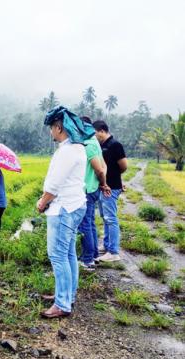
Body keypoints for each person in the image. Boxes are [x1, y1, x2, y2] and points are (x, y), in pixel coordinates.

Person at [37, 106, 88, 318]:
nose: (51, 132)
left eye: (52, 128)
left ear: (59, 127)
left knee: (57, 255)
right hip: (74, 205)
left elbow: (54, 185)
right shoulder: (78, 148)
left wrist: (42, 203)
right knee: (67, 254)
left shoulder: (67, 151)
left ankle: (63, 304)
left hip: (63, 208)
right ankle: (67, 295)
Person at [78, 117, 111, 271]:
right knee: (90, 222)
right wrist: (102, 183)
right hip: (93, 188)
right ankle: (95, 254)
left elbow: (99, 169)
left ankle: (87, 259)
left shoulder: (89, 144)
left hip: (88, 189)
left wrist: (103, 183)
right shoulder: (94, 142)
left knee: (85, 224)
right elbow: (104, 166)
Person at [93, 120, 127, 262]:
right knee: (105, 218)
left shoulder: (115, 145)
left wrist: (115, 178)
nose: (94, 137)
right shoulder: (102, 145)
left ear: (102, 130)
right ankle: (107, 246)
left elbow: (124, 166)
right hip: (104, 187)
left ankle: (113, 251)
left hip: (111, 187)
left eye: (95, 133)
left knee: (111, 218)